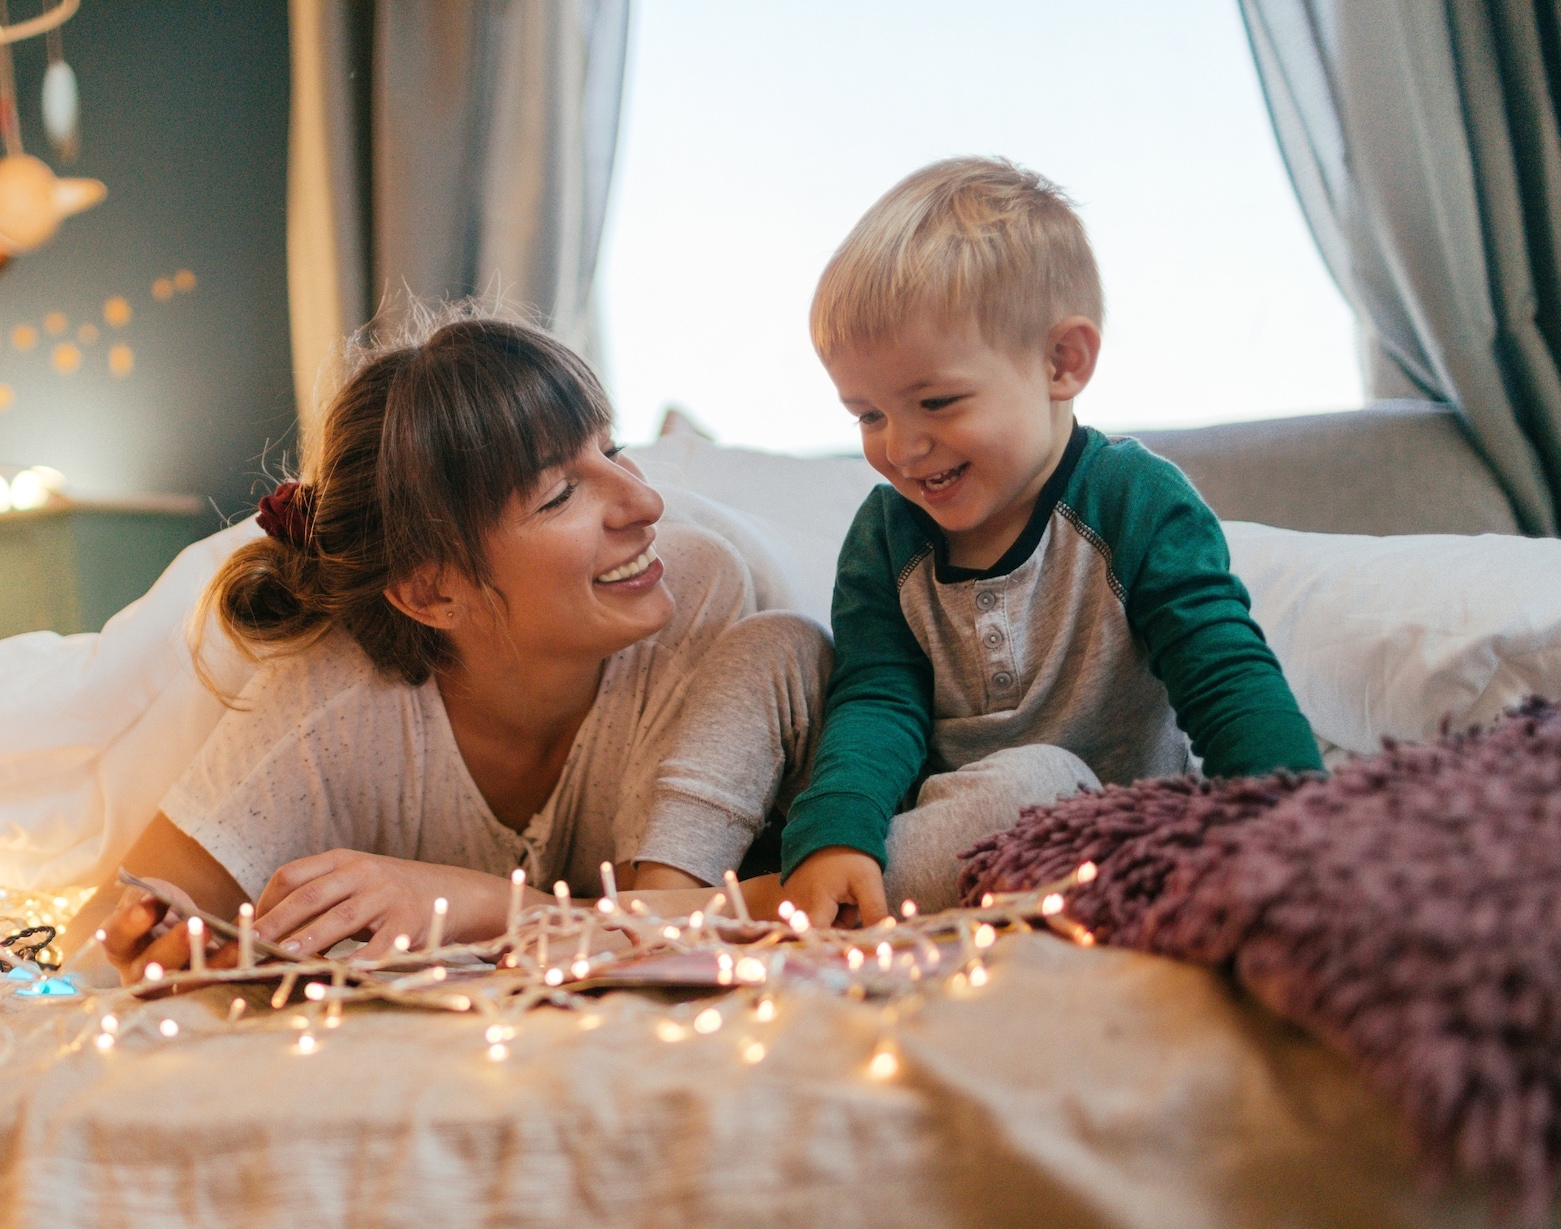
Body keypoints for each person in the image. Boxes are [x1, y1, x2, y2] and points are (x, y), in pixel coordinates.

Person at [76, 308, 827, 982]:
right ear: (433, 592)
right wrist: (167, 941)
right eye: (560, 493)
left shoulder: (692, 599)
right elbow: (106, 933)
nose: (645, 500)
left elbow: (656, 923)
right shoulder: (337, 701)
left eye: (613, 447)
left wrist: (475, 901)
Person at [779, 156, 1323, 928]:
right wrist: (836, 831)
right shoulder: (885, 533)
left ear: (1062, 362)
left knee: (1031, 778)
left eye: (936, 401)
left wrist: (1303, 827)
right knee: (782, 658)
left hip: (1105, 834)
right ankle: (793, 887)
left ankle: (766, 901)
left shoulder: (1134, 501)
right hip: (947, 828)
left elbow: (1225, 673)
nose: (901, 447)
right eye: (868, 416)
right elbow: (876, 698)